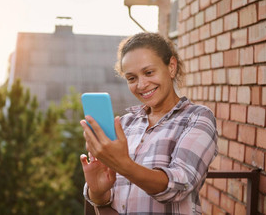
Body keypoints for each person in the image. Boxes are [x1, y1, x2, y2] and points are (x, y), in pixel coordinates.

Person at [80, 32, 218, 214]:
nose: (141, 84)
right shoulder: (125, 124)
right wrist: (98, 192)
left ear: (171, 67)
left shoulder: (197, 118)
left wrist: (124, 165)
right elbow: (109, 203)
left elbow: (179, 185)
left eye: (149, 72)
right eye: (131, 78)